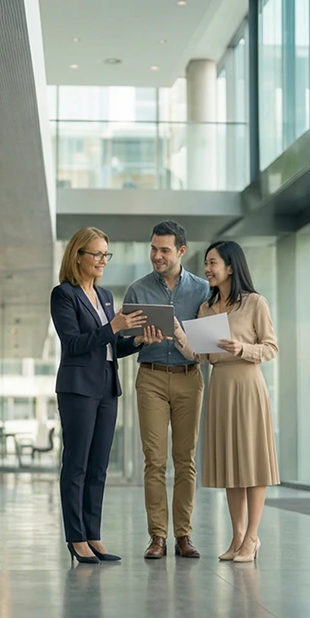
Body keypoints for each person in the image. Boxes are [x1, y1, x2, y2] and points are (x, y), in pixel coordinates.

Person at [51, 227, 164, 565]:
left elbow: (111, 346)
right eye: (97, 254)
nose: (102, 261)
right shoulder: (64, 295)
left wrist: (139, 341)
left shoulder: (105, 297)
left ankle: (93, 535)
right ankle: (76, 538)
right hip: (77, 388)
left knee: (99, 466)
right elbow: (73, 344)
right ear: (78, 256)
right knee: (77, 464)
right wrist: (112, 327)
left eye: (105, 255)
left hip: (105, 386)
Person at [173, 240, 279, 563]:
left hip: (247, 385)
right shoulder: (206, 309)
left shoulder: (255, 303)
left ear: (230, 266)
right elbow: (201, 355)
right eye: (206, 263)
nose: (207, 269)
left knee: (252, 464)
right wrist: (180, 337)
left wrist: (242, 349)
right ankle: (236, 538)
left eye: (213, 263)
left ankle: (252, 538)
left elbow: (271, 348)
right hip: (219, 385)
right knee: (232, 465)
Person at [123, 221, 210, 559]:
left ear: (181, 252)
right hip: (152, 377)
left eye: (164, 250)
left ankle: (183, 536)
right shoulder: (137, 290)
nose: (156, 256)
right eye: (153, 249)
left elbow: (206, 344)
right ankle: (157, 536)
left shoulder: (203, 290)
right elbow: (122, 338)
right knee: (154, 461)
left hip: (190, 376)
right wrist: (138, 338)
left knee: (185, 460)